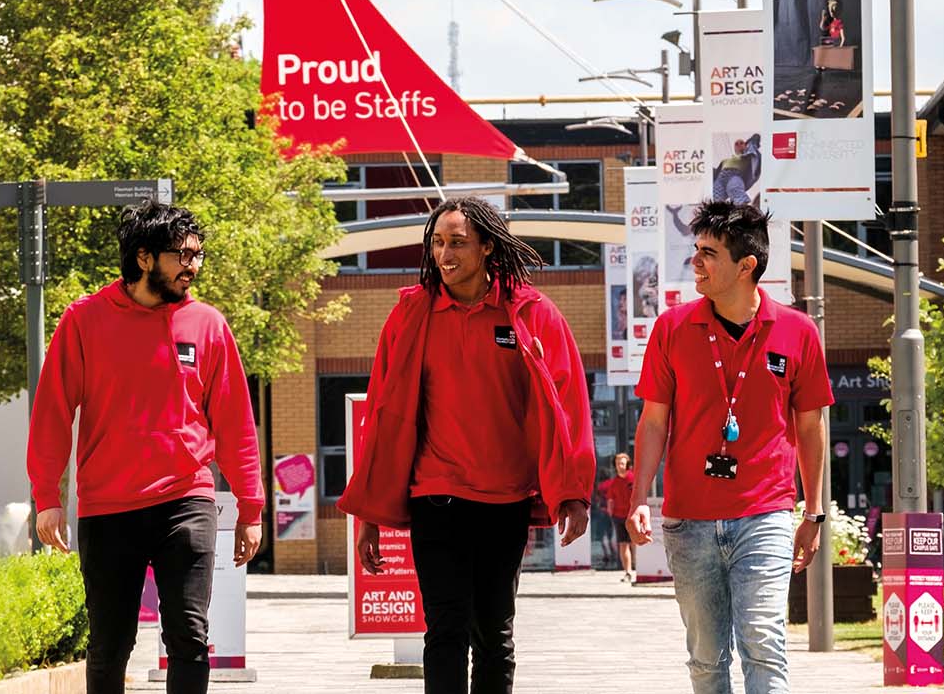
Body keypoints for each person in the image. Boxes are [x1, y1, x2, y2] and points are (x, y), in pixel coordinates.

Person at [338, 196, 596, 694]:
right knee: (445, 631)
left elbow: (569, 406)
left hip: (505, 501)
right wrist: (367, 515)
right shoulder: (411, 314)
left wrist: (574, 491)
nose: (444, 254)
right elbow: (384, 419)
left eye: (458, 243)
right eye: (437, 242)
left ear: (487, 248)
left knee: (495, 637)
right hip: (435, 497)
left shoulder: (531, 314)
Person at [26, 200, 265, 694]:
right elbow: (52, 411)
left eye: (198, 255)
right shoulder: (83, 320)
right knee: (110, 643)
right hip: (109, 505)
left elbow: (235, 421)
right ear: (143, 258)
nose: (193, 266)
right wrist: (47, 497)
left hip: (187, 500)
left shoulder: (208, 325)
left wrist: (251, 505)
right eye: (182, 255)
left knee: (190, 638)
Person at [627, 201, 833, 694]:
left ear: (747, 266)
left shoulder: (798, 332)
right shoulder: (672, 328)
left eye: (708, 253)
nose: (695, 262)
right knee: (706, 656)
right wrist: (638, 496)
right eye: (695, 251)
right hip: (689, 518)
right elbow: (654, 422)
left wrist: (815, 512)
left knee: (763, 643)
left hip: (765, 513)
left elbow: (811, 426)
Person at [598, 453, 638, 581]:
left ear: (627, 464)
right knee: (623, 544)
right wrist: (611, 512)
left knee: (635, 543)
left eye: (622, 463)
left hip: (633, 516)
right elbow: (610, 499)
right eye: (617, 463)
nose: (620, 465)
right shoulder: (614, 482)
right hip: (619, 517)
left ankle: (637, 568)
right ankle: (628, 572)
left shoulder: (633, 479)